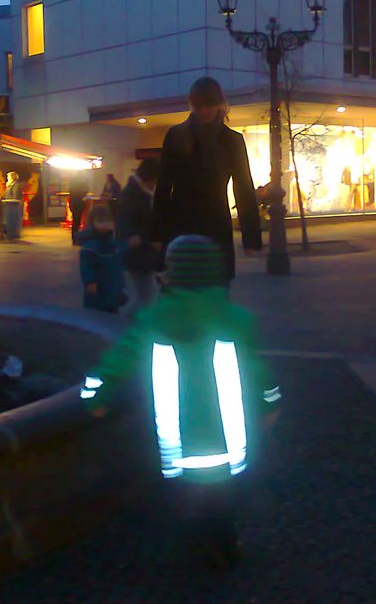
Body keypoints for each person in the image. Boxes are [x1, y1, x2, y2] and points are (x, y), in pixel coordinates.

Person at [80, 235, 281, 568]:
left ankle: (193, 544)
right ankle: (225, 543)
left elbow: (117, 362)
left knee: (187, 496)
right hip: (229, 445)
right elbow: (259, 371)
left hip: (176, 444)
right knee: (224, 497)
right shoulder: (238, 320)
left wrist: (94, 396)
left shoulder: (151, 321)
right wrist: (270, 404)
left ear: (169, 274)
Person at [153, 77, 262, 283]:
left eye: (208, 105)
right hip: (181, 223)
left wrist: (251, 237)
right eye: (198, 105)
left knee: (214, 290)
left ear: (219, 104)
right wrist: (157, 234)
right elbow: (164, 186)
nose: (203, 111)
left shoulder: (232, 140)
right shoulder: (176, 135)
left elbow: (244, 188)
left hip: (214, 223)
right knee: (182, 290)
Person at [116, 158, 161, 313]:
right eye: (154, 181)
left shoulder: (138, 193)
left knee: (147, 294)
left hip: (143, 251)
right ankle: (130, 325)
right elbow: (130, 224)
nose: (155, 185)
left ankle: (132, 324)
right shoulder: (134, 195)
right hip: (138, 252)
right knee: (146, 296)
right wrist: (145, 238)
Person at [79, 205, 126, 313]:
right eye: (100, 221)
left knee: (111, 310)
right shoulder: (90, 245)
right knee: (97, 312)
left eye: (107, 220)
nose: (105, 224)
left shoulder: (112, 241)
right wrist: (90, 281)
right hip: (99, 287)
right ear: (92, 223)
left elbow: (117, 261)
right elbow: (87, 265)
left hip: (113, 285)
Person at [2, 171, 24, 240]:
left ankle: (13, 234)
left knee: (13, 220)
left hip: (13, 205)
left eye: (8, 177)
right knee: (11, 220)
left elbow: (15, 196)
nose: (7, 178)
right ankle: (12, 233)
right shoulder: (11, 184)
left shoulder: (15, 184)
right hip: (11, 204)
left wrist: (12, 200)